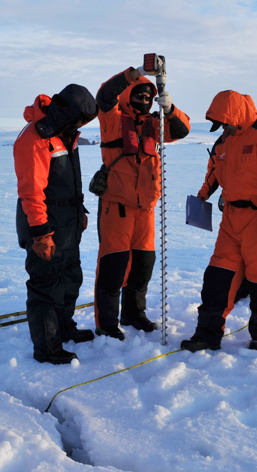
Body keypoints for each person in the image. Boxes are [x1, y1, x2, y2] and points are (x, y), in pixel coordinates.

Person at [181, 90, 257, 353]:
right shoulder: (226, 138)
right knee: (218, 278)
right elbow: (215, 169)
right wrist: (203, 194)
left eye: (226, 123)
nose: (224, 128)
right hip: (231, 219)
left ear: (235, 115)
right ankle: (207, 334)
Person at [92, 64, 191, 340]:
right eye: (139, 94)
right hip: (117, 206)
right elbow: (104, 96)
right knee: (114, 265)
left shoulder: (155, 125)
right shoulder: (112, 119)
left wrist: (169, 109)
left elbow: (182, 130)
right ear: (128, 94)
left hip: (146, 208)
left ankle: (134, 314)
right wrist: (133, 73)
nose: (144, 101)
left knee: (143, 264)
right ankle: (107, 323)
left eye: (149, 97)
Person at [14, 84, 98, 364]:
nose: (82, 126)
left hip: (67, 223)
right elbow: (31, 192)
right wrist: (40, 235)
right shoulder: (36, 138)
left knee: (70, 278)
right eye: (81, 121)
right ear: (68, 114)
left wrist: (80, 210)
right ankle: (47, 348)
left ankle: (64, 328)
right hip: (45, 224)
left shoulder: (64, 135)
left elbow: (67, 181)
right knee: (46, 285)